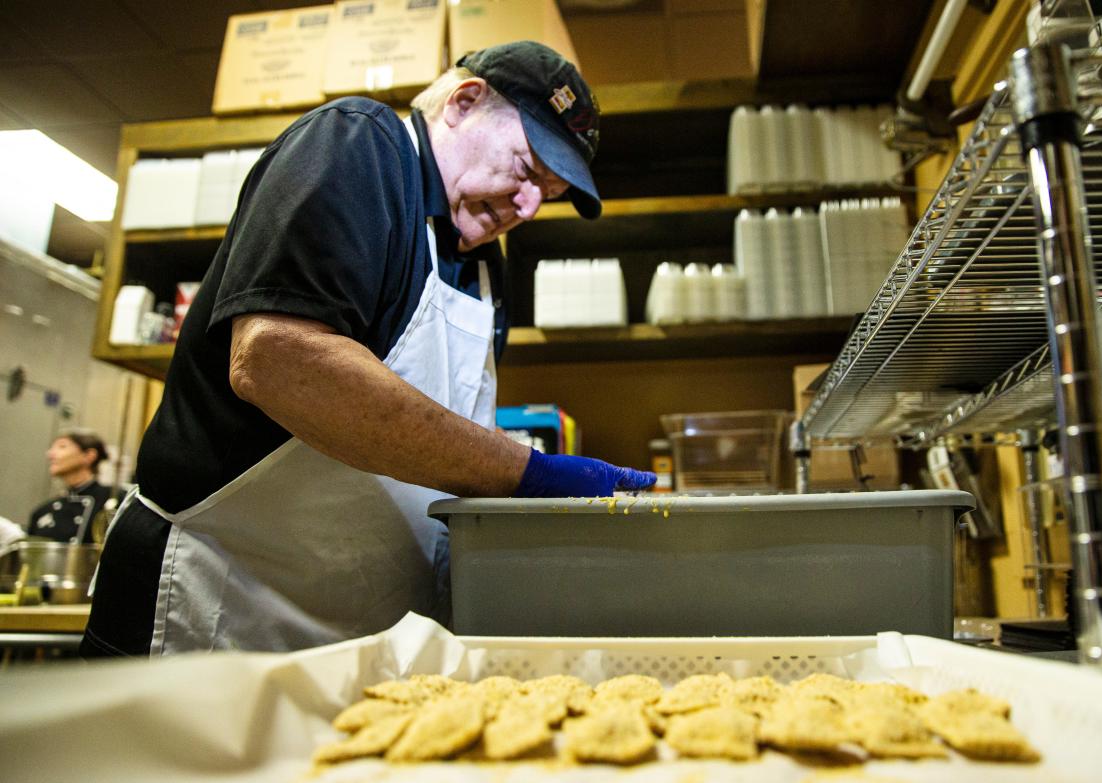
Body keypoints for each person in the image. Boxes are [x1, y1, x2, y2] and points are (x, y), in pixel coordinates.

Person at [82, 41, 654, 658]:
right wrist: (528, 475)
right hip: (222, 612)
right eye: (527, 166)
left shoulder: (487, 273)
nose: (530, 204)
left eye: (550, 191)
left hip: (364, 633)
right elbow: (279, 361)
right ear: (464, 103)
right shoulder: (361, 146)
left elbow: (442, 451)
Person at [27, 429, 114, 544]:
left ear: (89, 456)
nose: (50, 454)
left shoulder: (111, 499)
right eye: (52, 448)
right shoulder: (42, 512)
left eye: (62, 447)